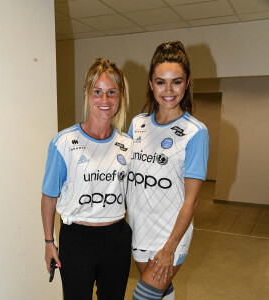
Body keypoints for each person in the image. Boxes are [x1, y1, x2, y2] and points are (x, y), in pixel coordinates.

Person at [41, 58, 133, 300]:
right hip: (77, 239)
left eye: (111, 92)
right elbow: (49, 196)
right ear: (87, 93)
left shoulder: (128, 145)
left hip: (117, 238)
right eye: (98, 92)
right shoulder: (64, 142)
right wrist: (49, 241)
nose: (105, 100)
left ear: (120, 95)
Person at [127, 41, 209, 300]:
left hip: (170, 236)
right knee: (161, 295)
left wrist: (170, 247)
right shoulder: (137, 124)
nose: (169, 90)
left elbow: (191, 200)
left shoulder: (195, 132)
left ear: (187, 84)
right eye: (161, 82)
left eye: (177, 81)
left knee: (143, 297)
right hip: (139, 230)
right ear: (151, 84)